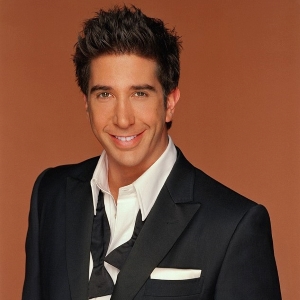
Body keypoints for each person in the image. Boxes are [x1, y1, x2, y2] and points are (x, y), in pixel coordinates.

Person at [22, 5, 281, 300]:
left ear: (170, 102)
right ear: (86, 103)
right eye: (105, 94)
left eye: (140, 93)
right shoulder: (50, 195)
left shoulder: (233, 225)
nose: (123, 118)